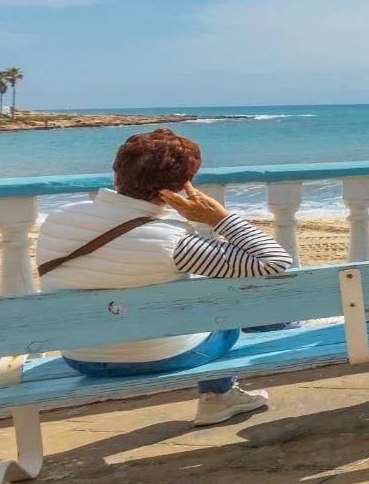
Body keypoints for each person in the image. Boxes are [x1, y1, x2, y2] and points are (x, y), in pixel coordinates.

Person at [36, 129, 293, 425]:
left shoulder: (58, 218)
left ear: (117, 174)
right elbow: (275, 261)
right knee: (228, 314)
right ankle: (219, 398)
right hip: (162, 356)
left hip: (81, 357)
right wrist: (219, 218)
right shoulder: (174, 241)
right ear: (182, 187)